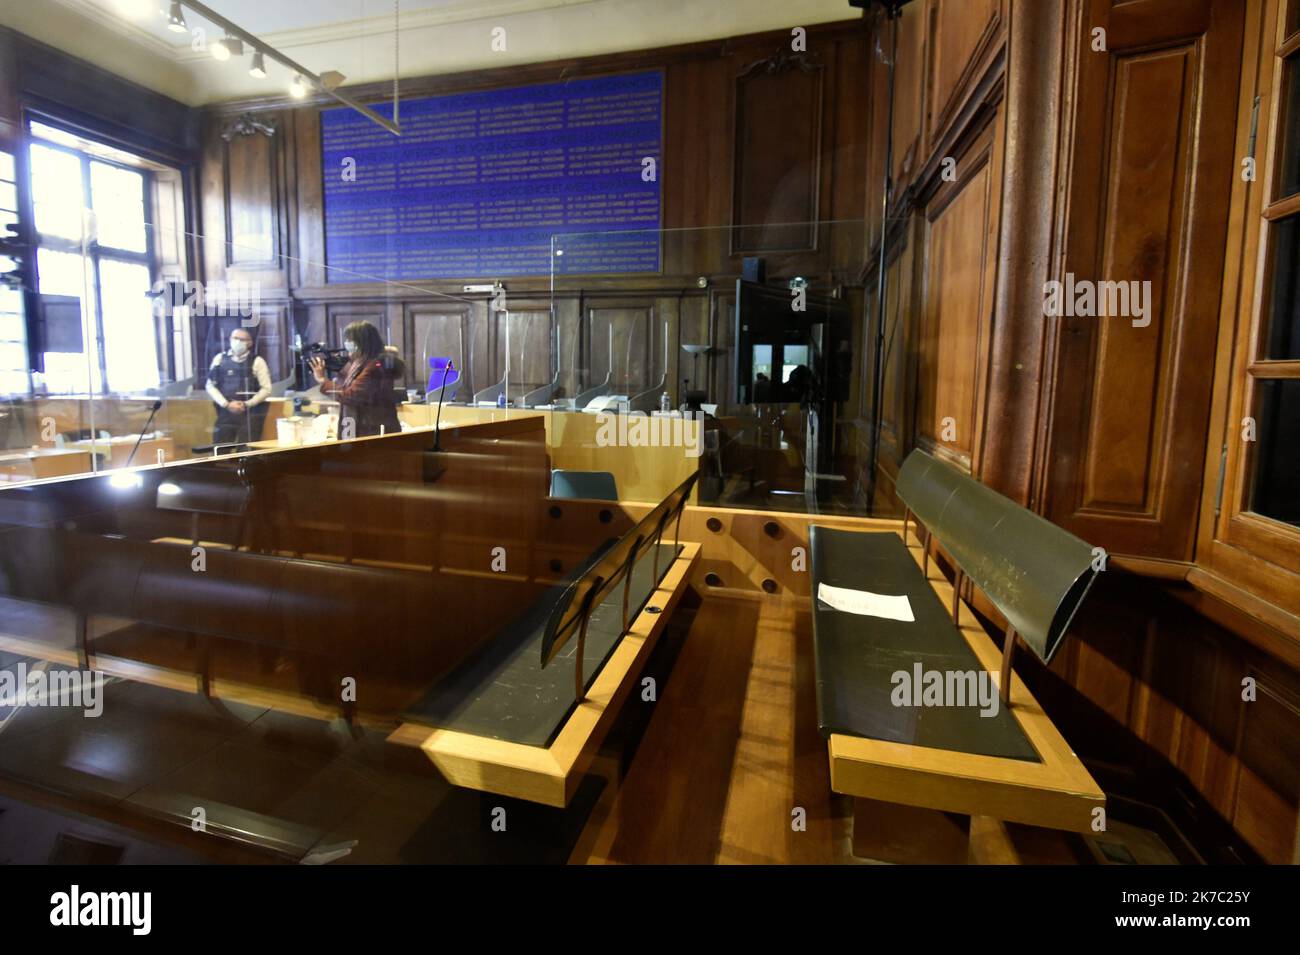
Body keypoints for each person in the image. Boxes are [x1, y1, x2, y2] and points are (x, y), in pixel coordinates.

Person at [310, 320, 404, 438]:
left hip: (371, 433)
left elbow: (350, 395)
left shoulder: (374, 366)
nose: (346, 344)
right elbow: (348, 383)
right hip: (365, 429)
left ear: (361, 343)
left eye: (350, 340)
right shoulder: (361, 363)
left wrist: (322, 380)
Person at [206, 326, 272, 445]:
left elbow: (266, 389)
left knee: (247, 449)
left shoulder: (257, 361)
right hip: (226, 411)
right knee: (220, 448)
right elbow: (210, 385)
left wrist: (247, 404)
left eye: (242, 339)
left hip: (251, 413)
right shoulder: (220, 359)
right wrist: (226, 404)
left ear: (250, 343)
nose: (238, 342)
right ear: (230, 339)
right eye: (235, 338)